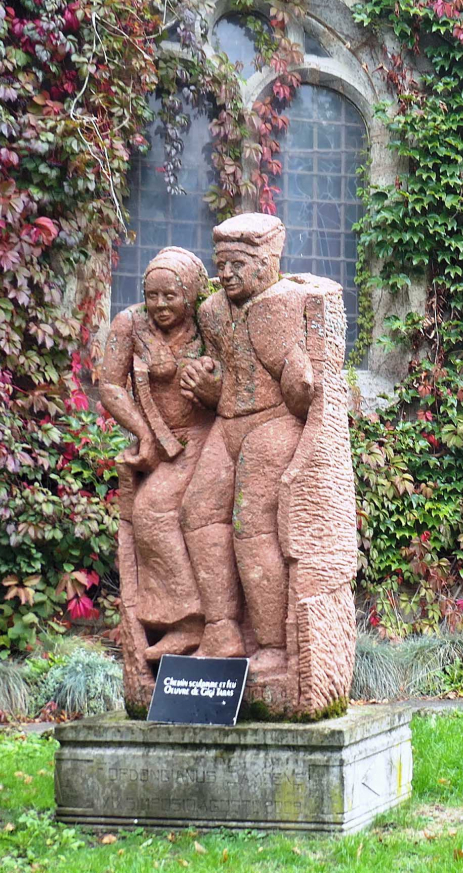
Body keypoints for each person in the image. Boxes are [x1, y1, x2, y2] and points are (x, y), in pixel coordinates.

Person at [179, 213, 315, 673]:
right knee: (197, 513)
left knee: (252, 527)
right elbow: (227, 376)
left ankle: (275, 646)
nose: (227, 274)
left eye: (238, 263)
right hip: (228, 423)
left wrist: (302, 381)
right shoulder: (212, 311)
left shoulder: (279, 305)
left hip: (273, 425)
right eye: (221, 263)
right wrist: (205, 384)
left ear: (267, 263)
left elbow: (296, 382)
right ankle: (221, 630)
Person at [100, 247, 212, 661]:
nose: (161, 305)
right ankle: (183, 622)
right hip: (159, 442)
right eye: (153, 296)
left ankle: (193, 624)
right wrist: (143, 432)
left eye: (171, 296)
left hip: (202, 439)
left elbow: (233, 384)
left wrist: (205, 387)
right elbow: (110, 385)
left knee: (157, 512)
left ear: (191, 294)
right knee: (151, 514)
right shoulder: (129, 324)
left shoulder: (209, 322)